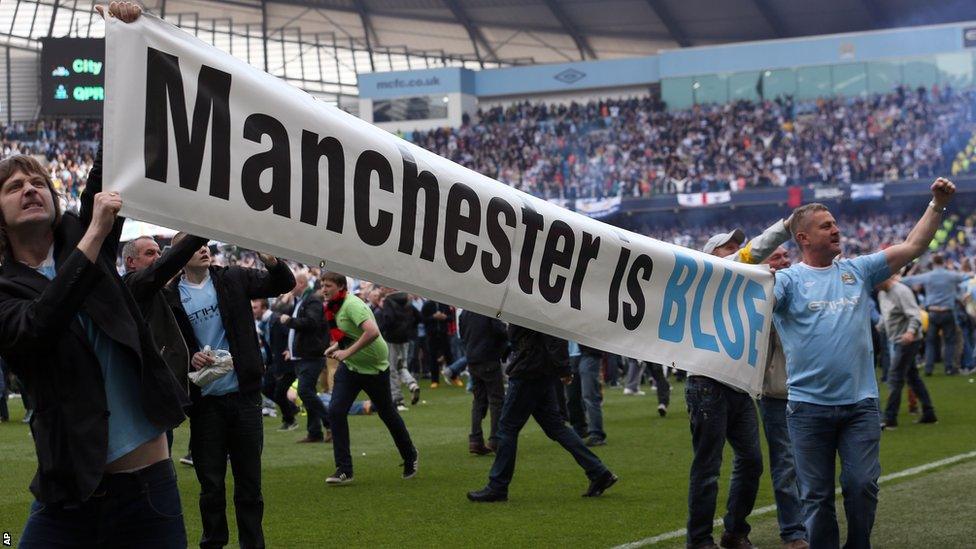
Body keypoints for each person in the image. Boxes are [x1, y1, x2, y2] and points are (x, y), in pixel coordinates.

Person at [0, 37, 189, 548]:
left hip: (147, 488)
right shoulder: (7, 289)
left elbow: (116, 154)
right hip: (65, 496)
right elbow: (37, 327)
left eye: (37, 180)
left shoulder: (87, 235)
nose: (30, 188)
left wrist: (126, 46)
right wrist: (94, 237)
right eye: (13, 186)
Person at [773, 178, 955, 549]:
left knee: (861, 485)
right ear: (803, 238)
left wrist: (937, 204)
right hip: (807, 409)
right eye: (826, 226)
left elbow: (915, 245)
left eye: (835, 223)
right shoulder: (787, 281)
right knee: (816, 497)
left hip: (859, 406)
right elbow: (746, 295)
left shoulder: (857, 270)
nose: (836, 229)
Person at [165, 232, 295, 549]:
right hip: (205, 403)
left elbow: (282, 284)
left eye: (205, 244)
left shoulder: (232, 277)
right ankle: (213, 542)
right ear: (178, 253)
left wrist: (272, 261)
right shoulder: (169, 296)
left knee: (249, 484)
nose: (203, 249)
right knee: (210, 485)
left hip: (245, 396)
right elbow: (165, 343)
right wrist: (189, 356)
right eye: (194, 245)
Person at [686, 215, 793, 549]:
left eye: (737, 246)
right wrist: (785, 226)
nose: (738, 251)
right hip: (707, 381)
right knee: (708, 467)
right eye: (729, 248)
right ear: (712, 256)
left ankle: (734, 531)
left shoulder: (750, 288)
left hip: (738, 384)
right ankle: (700, 539)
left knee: (751, 462)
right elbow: (751, 255)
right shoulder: (708, 277)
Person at [466, 325, 617, 502]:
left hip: (528, 370)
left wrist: (563, 368)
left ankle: (497, 486)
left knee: (507, 428)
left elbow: (552, 335)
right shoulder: (537, 301)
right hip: (539, 369)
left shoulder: (532, 303)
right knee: (556, 427)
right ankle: (599, 472)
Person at [319, 272, 418, 485]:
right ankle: (344, 469)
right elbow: (350, 334)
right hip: (352, 368)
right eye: (322, 285)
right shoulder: (333, 307)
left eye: (328, 285)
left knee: (387, 414)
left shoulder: (352, 305)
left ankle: (410, 455)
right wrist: (337, 347)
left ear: (341, 287)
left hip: (374, 368)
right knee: (336, 411)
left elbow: (372, 332)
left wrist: (346, 353)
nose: (324, 289)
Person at [122, 232, 208, 467]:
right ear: (131, 262)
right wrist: (201, 233)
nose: (158, 257)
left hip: (161, 388)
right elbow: (162, 269)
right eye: (150, 253)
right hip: (146, 389)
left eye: (160, 252)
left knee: (160, 458)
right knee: (154, 467)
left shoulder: (156, 290)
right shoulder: (132, 284)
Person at [758, 246, 808, 549]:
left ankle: (809, 522)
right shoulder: (759, 299)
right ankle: (793, 531)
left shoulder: (802, 288)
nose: (785, 261)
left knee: (811, 463)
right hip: (777, 392)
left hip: (809, 391)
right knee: (787, 463)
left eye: (787, 255)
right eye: (776, 257)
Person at [877, 275, 938, 428]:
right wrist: (880, 327)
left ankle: (890, 418)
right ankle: (929, 412)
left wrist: (910, 332)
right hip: (896, 339)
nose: (874, 285)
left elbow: (915, 315)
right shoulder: (881, 293)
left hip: (907, 340)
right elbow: (886, 316)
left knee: (895, 377)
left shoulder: (901, 291)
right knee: (912, 377)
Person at [279, 272, 332, 443]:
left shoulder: (312, 300)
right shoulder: (304, 300)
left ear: (300, 283)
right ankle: (314, 432)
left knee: (305, 391)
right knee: (308, 393)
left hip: (311, 355)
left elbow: (311, 323)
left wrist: (290, 321)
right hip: (303, 355)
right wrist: (291, 349)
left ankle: (330, 424)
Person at [901, 253, 971, 376]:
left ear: (933, 264)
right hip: (947, 312)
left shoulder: (929, 276)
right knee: (949, 341)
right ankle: (949, 368)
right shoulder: (951, 275)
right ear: (943, 262)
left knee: (930, 342)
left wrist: (906, 274)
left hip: (932, 312)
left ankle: (928, 369)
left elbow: (908, 280)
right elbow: (966, 276)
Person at [458, 309, 507, 455]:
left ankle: (475, 439)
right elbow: (500, 331)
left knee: (478, 400)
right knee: (496, 400)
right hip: (489, 357)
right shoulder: (489, 311)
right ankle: (495, 439)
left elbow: (462, 335)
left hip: (473, 358)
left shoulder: (465, 312)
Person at [376, 287, 422, 409]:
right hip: (405, 338)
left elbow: (388, 319)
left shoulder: (388, 301)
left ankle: (398, 400)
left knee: (392, 369)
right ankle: (412, 384)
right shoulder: (408, 299)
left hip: (392, 339)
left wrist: (382, 331)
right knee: (402, 366)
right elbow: (418, 317)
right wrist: (408, 328)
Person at [577, 344, 607, 446]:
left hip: (589, 353)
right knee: (573, 397)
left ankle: (596, 434)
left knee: (589, 395)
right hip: (574, 354)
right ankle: (579, 430)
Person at [421, 300, 455, 387]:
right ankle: (434, 380)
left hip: (444, 333)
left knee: (449, 356)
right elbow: (422, 319)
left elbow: (451, 318)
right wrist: (433, 317)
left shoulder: (444, 304)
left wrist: (445, 317)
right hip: (432, 335)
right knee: (433, 357)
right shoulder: (427, 305)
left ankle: (454, 377)